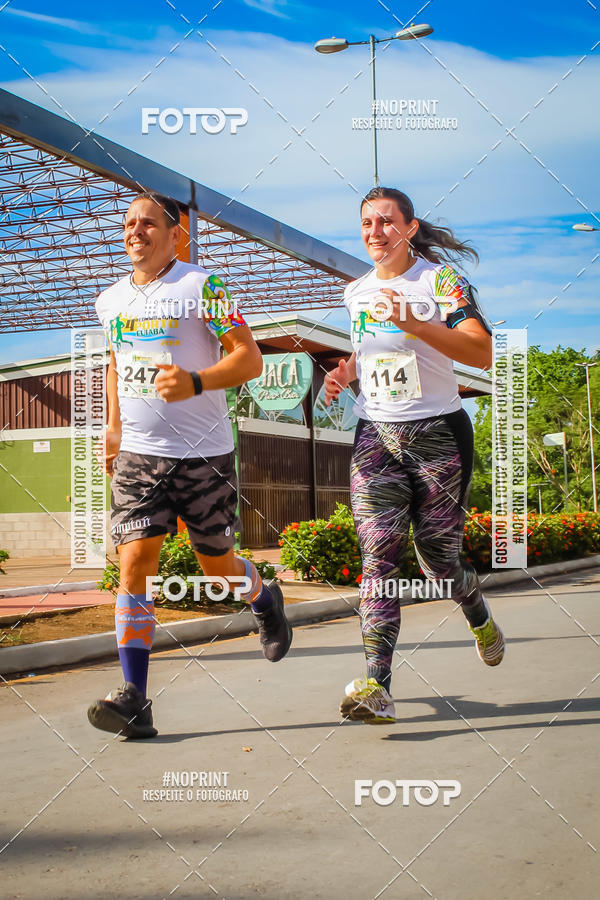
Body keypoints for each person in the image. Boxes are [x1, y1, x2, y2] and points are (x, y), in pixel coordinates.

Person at [87, 192, 292, 739]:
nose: (136, 231)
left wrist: (197, 381)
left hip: (204, 453)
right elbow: (114, 363)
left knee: (216, 568)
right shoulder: (110, 301)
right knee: (134, 566)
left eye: (148, 223)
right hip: (138, 455)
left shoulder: (203, 286)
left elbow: (249, 356)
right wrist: (112, 427)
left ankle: (263, 597)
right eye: (128, 223)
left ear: (176, 234)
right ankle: (134, 698)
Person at [324, 186, 504, 725]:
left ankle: (474, 606)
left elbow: (484, 350)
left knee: (437, 561)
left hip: (438, 435)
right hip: (376, 433)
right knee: (379, 553)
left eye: (385, 222)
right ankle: (375, 684)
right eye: (366, 224)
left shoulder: (439, 280)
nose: (375, 233)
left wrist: (417, 324)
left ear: (409, 226)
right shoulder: (356, 291)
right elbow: (372, 348)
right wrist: (345, 373)